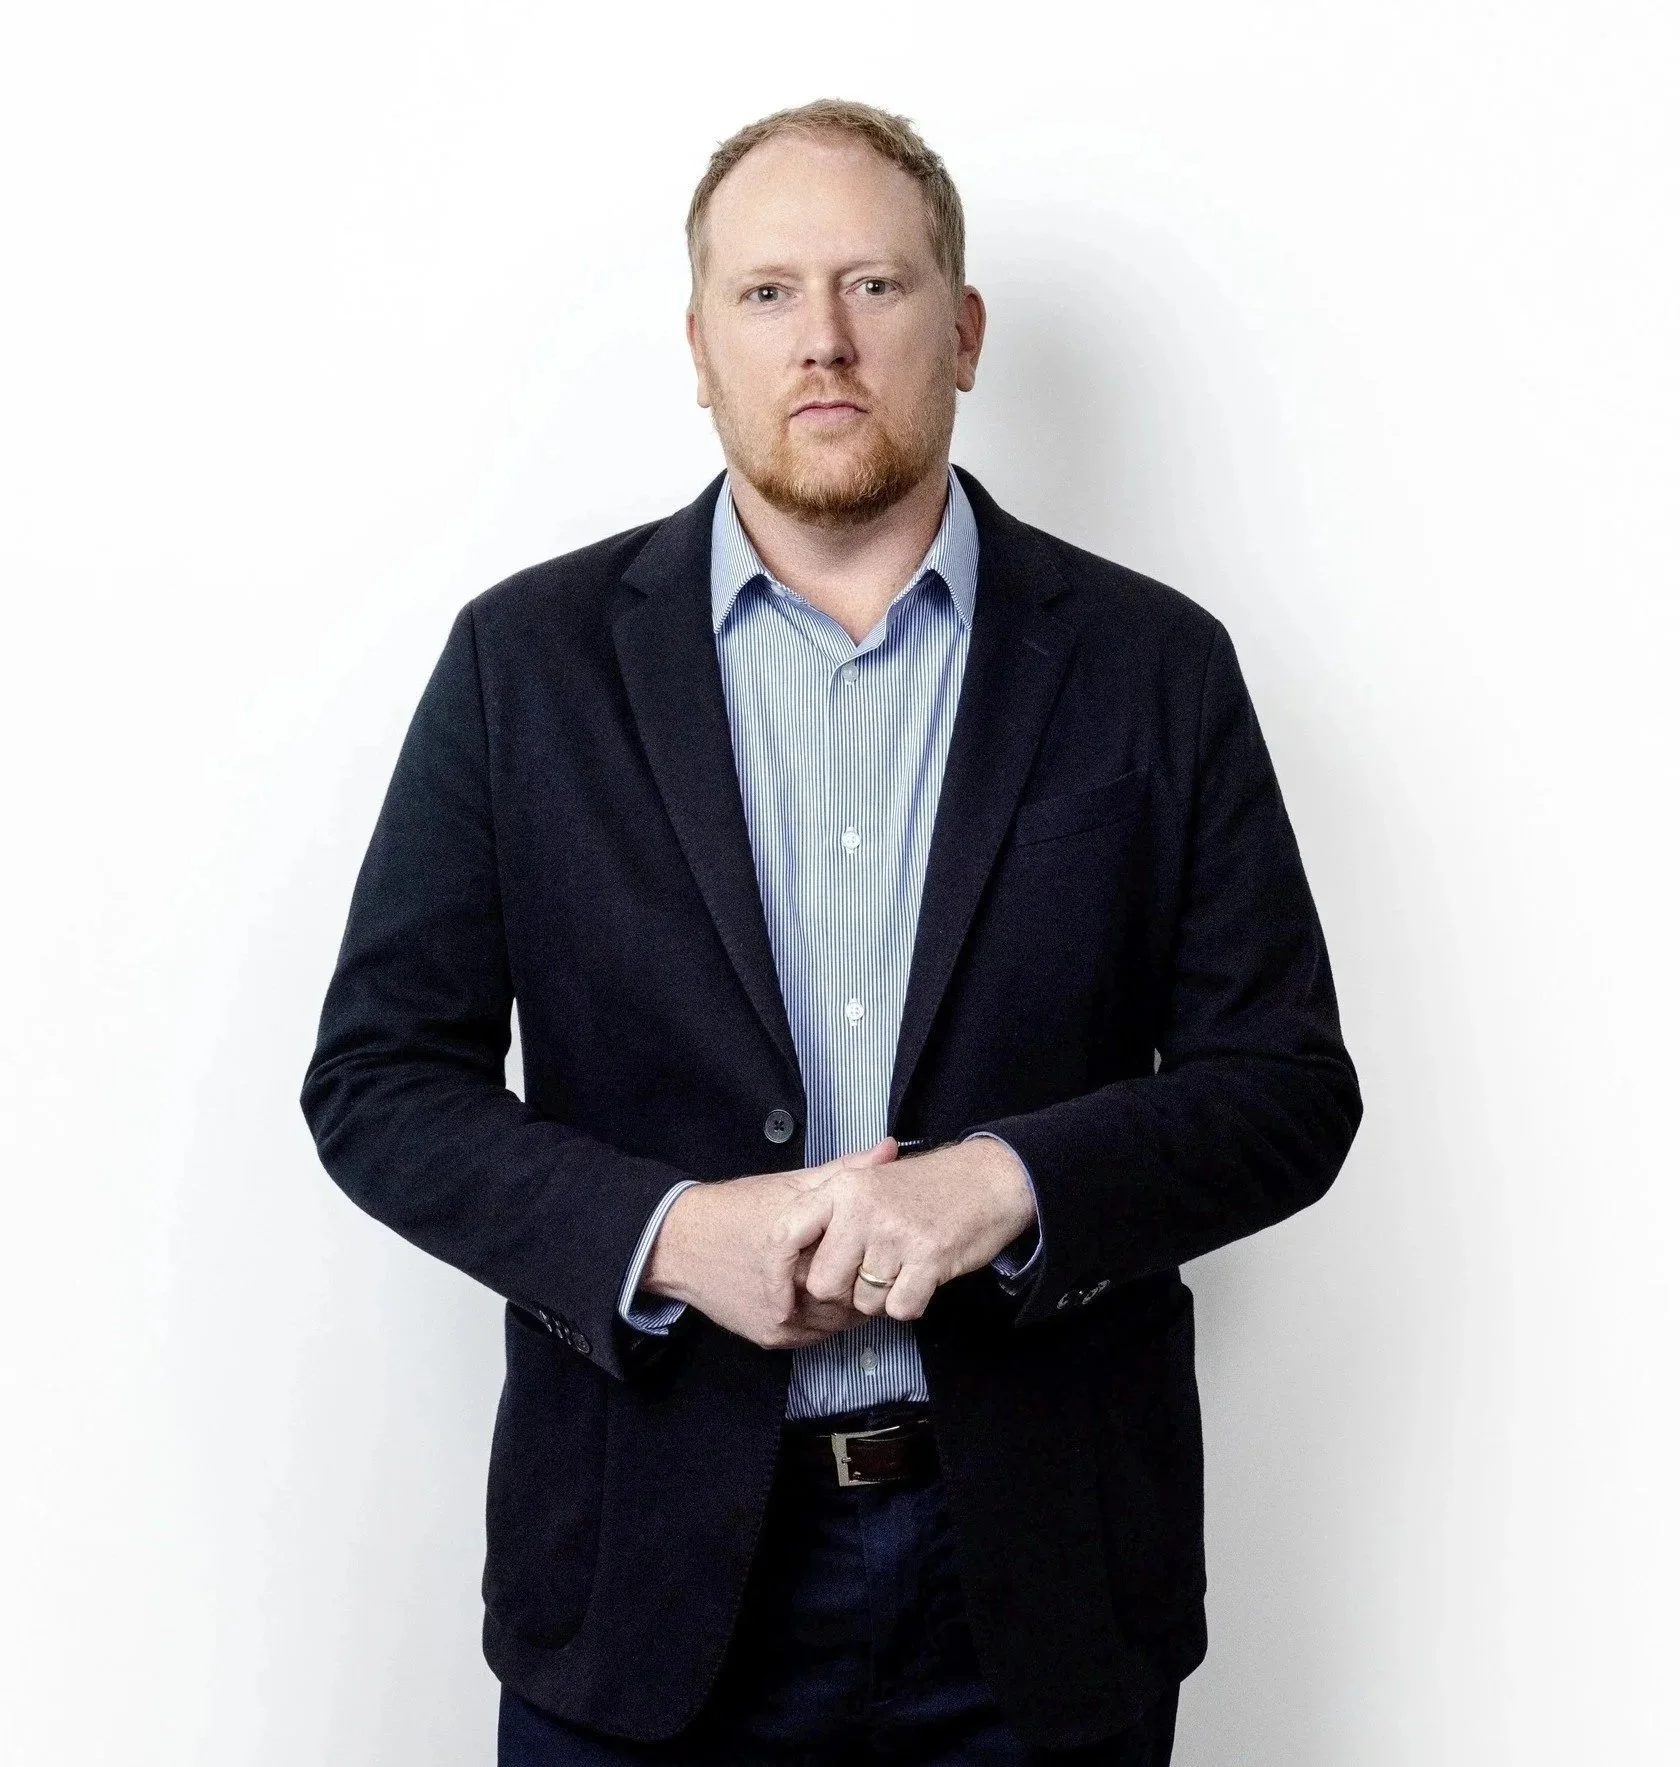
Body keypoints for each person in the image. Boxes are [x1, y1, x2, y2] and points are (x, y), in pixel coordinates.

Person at [301, 98, 1361, 1765]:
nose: (825, 341)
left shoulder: (1154, 665)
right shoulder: (527, 666)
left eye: (874, 284)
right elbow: (376, 1080)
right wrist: (667, 1235)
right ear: (699, 348)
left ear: (965, 329)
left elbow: (1287, 1087)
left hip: (1042, 1590)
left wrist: (1002, 1186)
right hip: (643, 1585)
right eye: (768, 292)